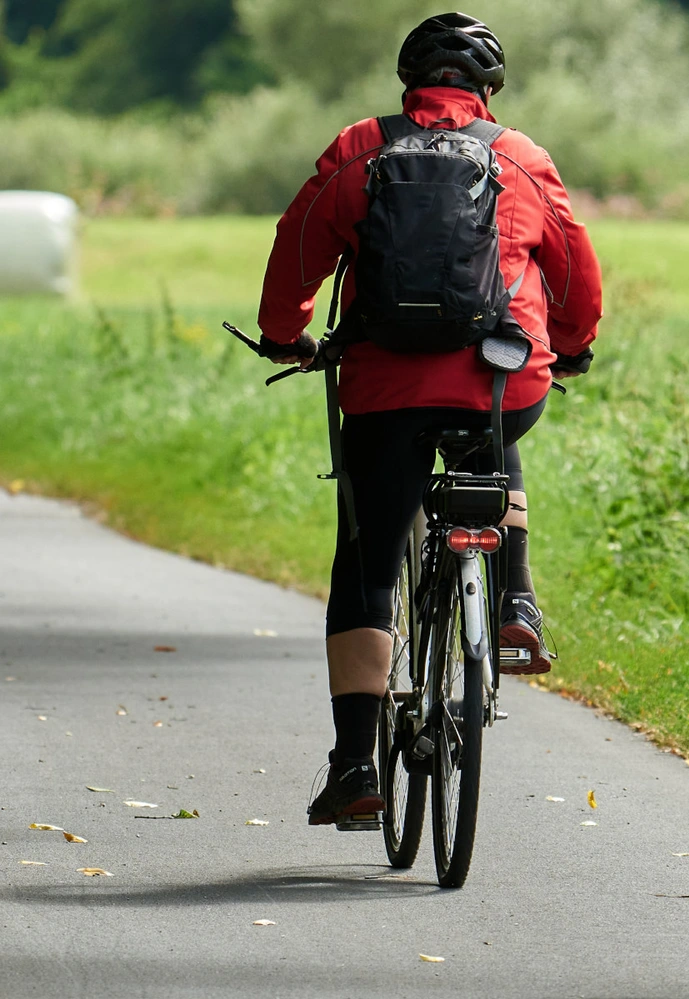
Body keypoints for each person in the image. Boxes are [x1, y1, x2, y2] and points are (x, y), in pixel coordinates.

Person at [255, 12, 603, 828]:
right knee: (495, 430)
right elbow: (573, 264)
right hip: (501, 382)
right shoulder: (519, 155)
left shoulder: (361, 146)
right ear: (488, 91)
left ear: (409, 84)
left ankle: (354, 769)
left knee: (369, 563)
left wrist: (284, 334)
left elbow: (298, 242)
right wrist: (576, 344)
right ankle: (515, 600)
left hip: (383, 389)